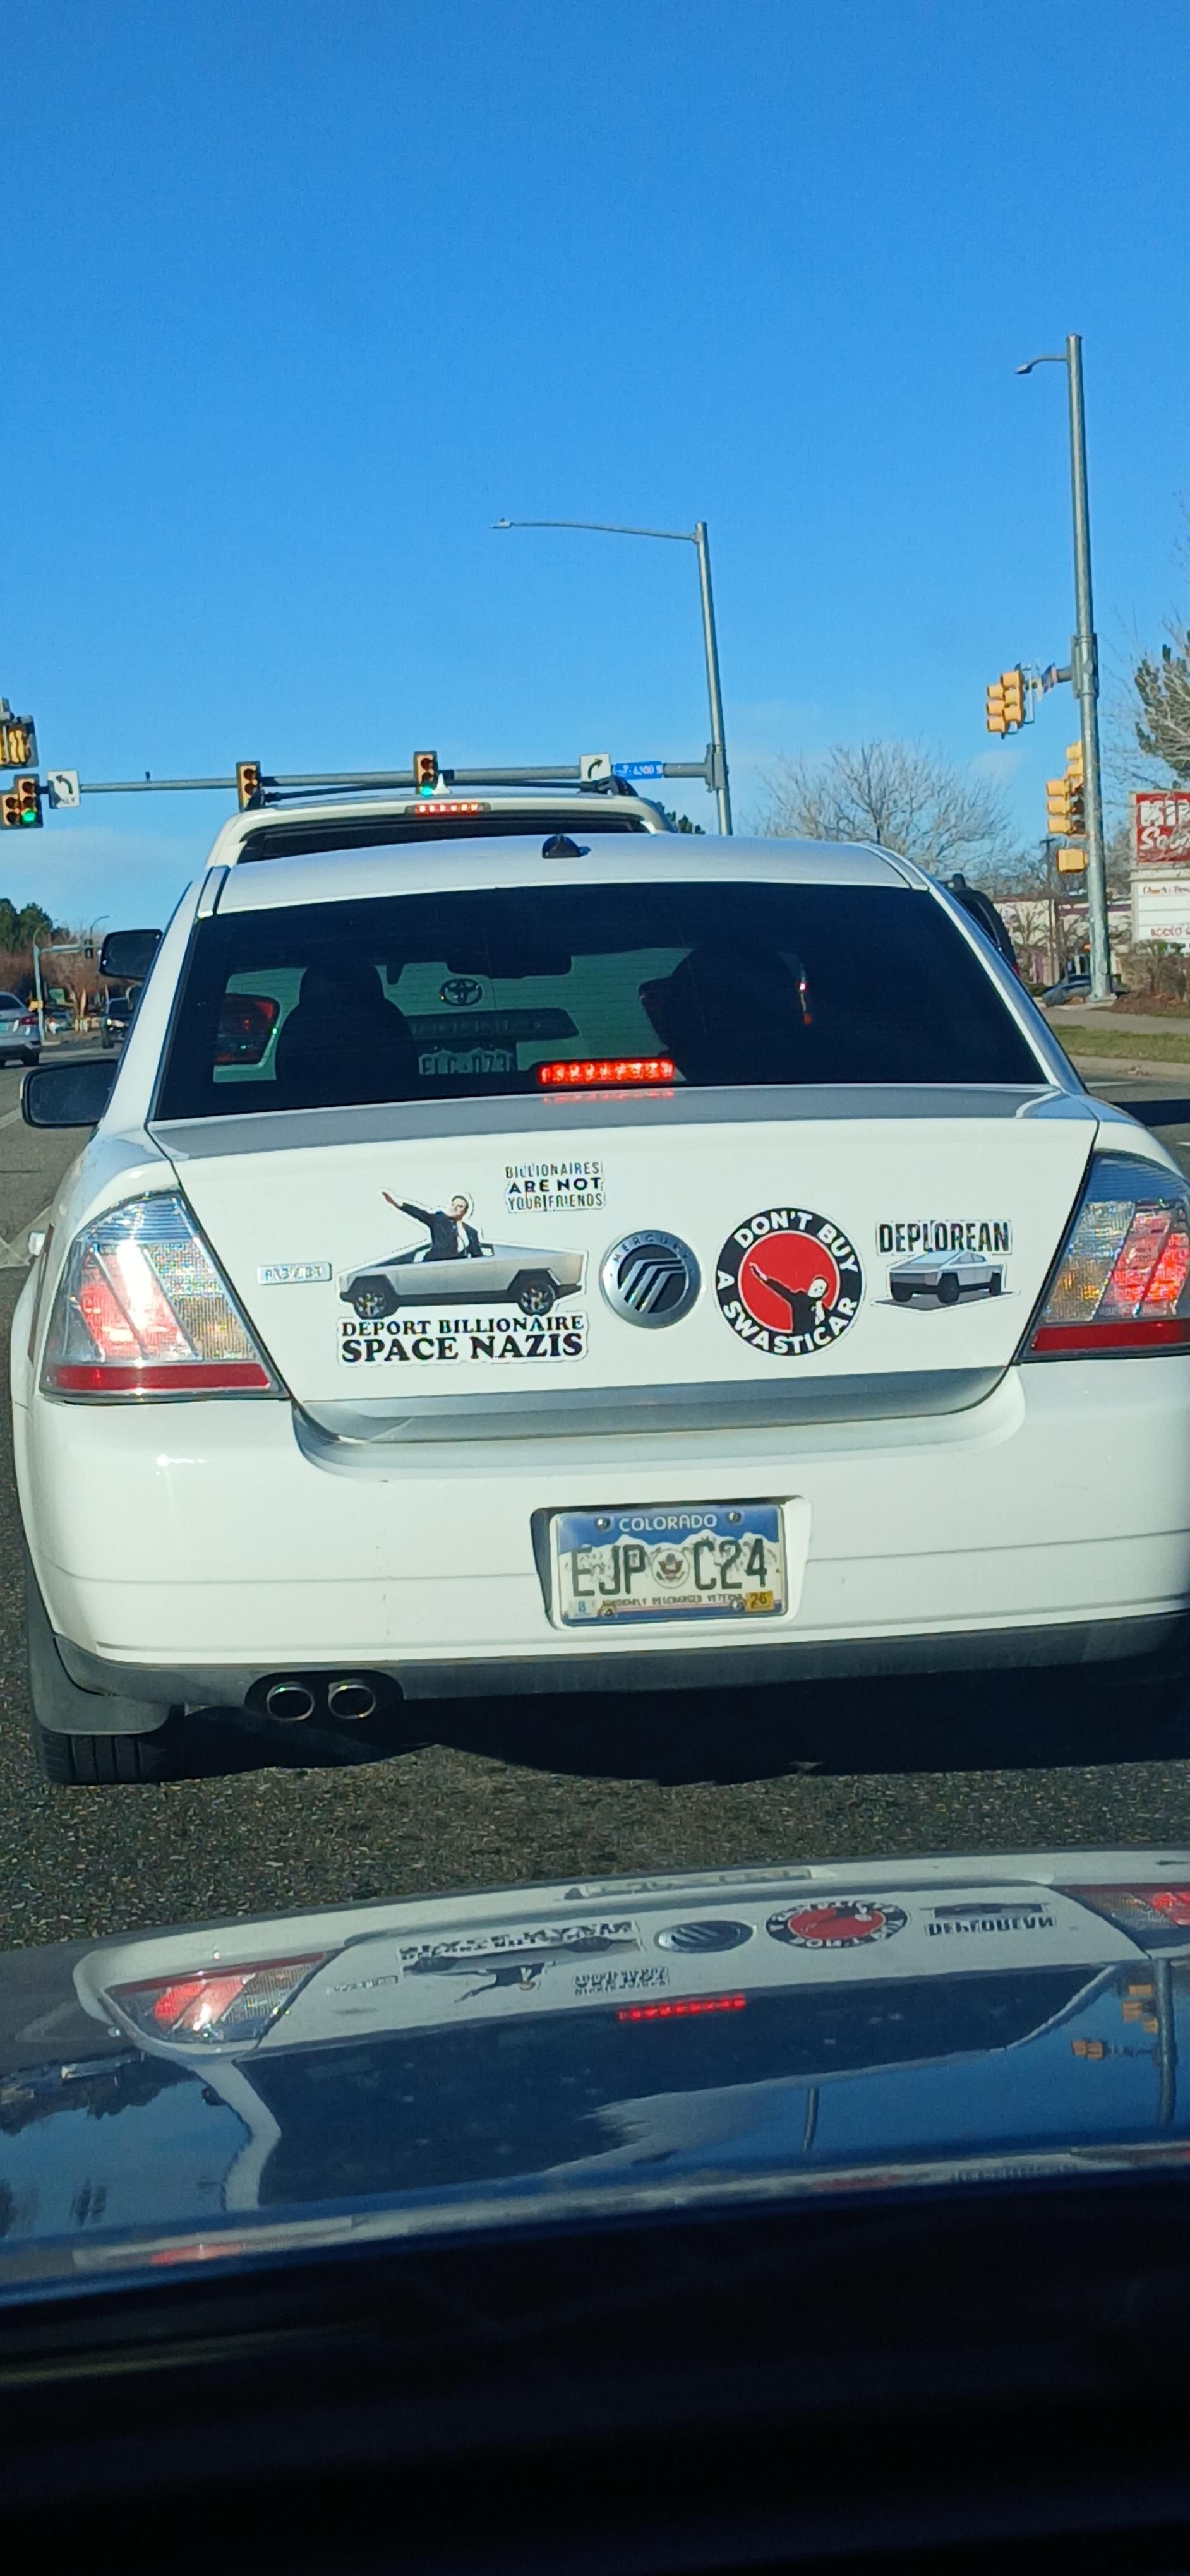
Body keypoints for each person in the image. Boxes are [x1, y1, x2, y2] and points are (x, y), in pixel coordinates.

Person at [383, 1190, 483, 1260]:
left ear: (465, 1211)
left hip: (456, 1269)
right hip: (435, 1264)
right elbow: (421, 1214)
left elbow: (477, 1255)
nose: (455, 1208)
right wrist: (399, 1204)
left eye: (460, 1206)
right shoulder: (439, 1220)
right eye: (453, 1205)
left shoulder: (471, 1232)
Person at [751, 1268, 828, 1337]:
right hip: (798, 1337)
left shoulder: (822, 1308)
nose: (817, 1289)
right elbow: (783, 1291)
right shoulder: (800, 1298)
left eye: (821, 1288)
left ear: (823, 1294)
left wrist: (820, 1311)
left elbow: (829, 1329)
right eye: (816, 1285)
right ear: (811, 1285)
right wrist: (767, 1280)